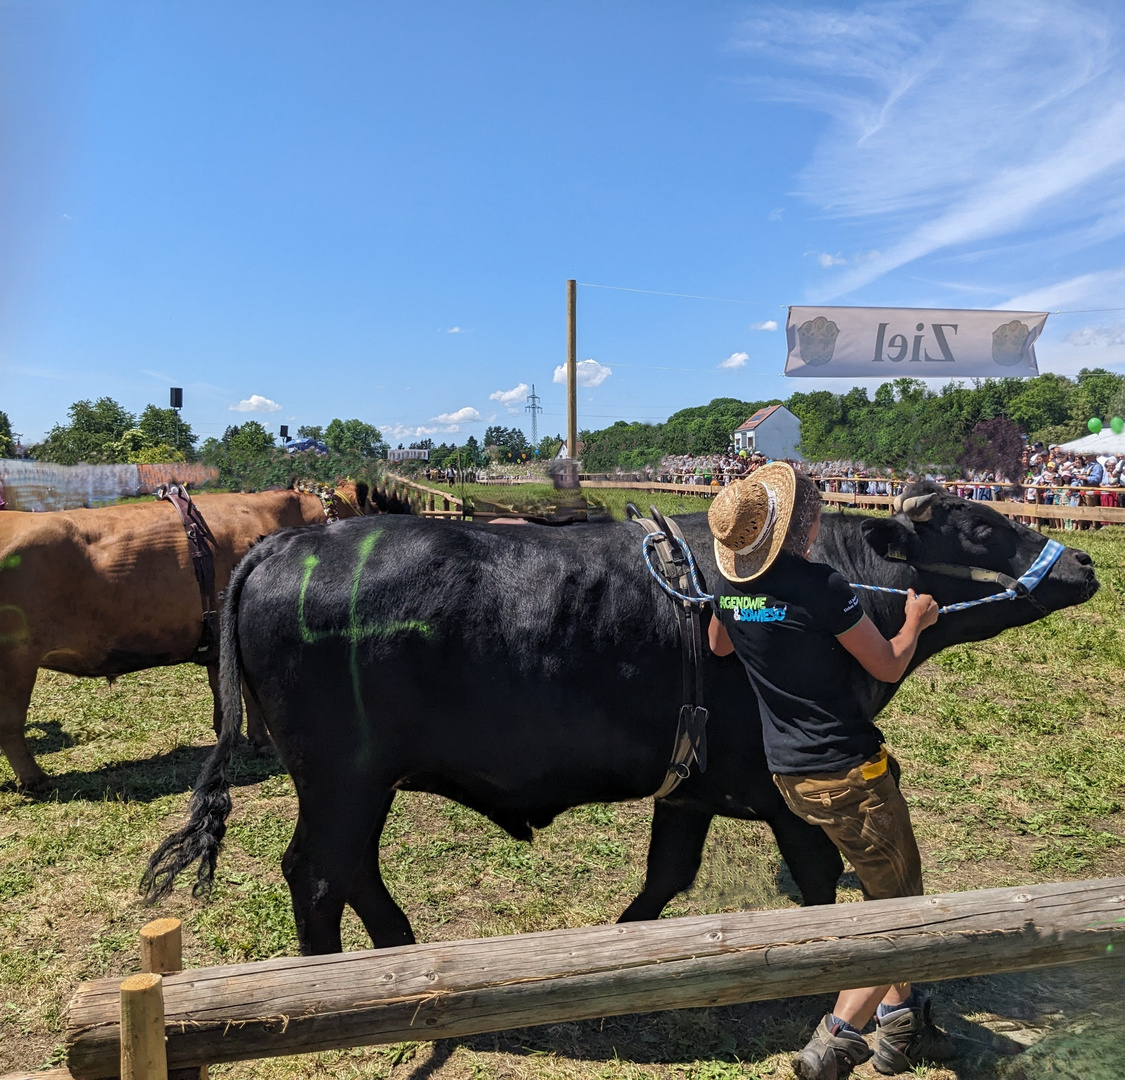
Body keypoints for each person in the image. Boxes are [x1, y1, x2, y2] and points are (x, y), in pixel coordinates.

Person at [706, 463, 955, 1080]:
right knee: (898, 908)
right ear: (805, 524)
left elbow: (718, 644)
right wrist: (916, 621)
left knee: (883, 892)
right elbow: (887, 665)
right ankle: (837, 1040)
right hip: (848, 773)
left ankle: (901, 1029)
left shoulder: (732, 587)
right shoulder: (820, 584)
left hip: (789, 774)